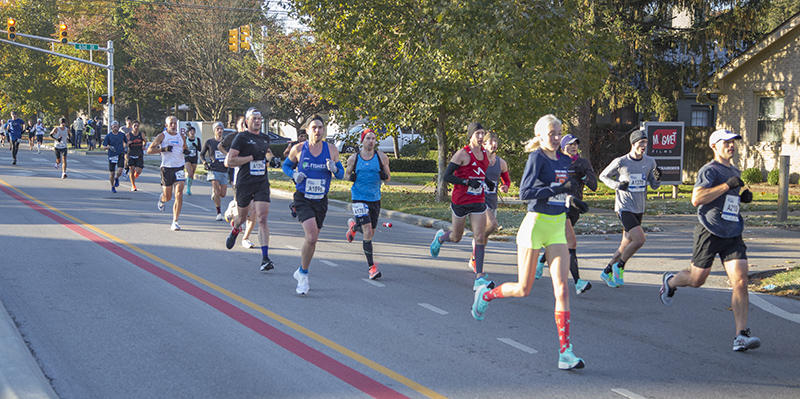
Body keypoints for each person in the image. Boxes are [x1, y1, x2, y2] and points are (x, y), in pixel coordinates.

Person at [471, 114, 587, 370]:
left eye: (559, 133)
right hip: (535, 226)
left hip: (557, 227)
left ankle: (565, 352)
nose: (556, 138)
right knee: (524, 289)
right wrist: (558, 190)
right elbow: (526, 193)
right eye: (551, 134)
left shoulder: (566, 160)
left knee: (562, 289)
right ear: (540, 136)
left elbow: (563, 190)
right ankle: (486, 295)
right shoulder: (537, 158)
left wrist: (572, 200)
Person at [660, 129, 760, 352]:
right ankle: (671, 282)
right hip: (710, 230)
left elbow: (728, 197)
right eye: (726, 142)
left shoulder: (734, 169)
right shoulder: (710, 170)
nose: (731, 146)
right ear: (714, 146)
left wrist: (741, 197)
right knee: (697, 280)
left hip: (732, 230)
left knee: (741, 280)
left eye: (733, 142)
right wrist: (727, 186)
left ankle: (740, 336)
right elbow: (697, 198)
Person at [429, 122, 496, 291]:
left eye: (483, 133)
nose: (481, 137)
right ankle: (440, 238)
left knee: (479, 236)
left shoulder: (486, 155)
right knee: (456, 237)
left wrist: (487, 182)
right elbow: (447, 177)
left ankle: (479, 277)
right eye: (477, 134)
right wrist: (467, 182)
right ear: (471, 136)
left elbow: (480, 174)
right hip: (460, 201)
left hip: (478, 201)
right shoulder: (462, 154)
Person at [282, 115, 344, 294]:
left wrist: (335, 169)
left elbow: (340, 175)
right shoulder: (299, 149)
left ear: (324, 130)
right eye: (314, 127)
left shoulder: (331, 150)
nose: (318, 131)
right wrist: (294, 175)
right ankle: (304, 277)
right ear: (308, 130)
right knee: (311, 236)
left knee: (313, 238)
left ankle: (301, 270)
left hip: (321, 199)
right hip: (303, 197)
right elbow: (286, 166)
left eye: (321, 128)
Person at [598, 129, 661, 287]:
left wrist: (658, 179)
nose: (644, 146)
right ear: (633, 144)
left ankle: (606, 271)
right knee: (639, 239)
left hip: (638, 207)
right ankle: (619, 267)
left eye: (646, 143)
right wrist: (618, 185)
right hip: (624, 207)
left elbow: (653, 186)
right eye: (641, 143)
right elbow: (603, 176)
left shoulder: (650, 162)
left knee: (625, 245)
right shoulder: (621, 162)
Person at [535, 134, 597, 295]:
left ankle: (540, 262)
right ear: (563, 147)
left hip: (576, 207)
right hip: (560, 206)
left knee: (560, 241)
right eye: (569, 144)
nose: (573, 147)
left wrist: (582, 175)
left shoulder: (583, 163)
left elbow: (594, 186)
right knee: (571, 242)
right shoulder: (558, 162)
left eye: (576, 144)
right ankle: (578, 282)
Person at [224, 108, 276, 271]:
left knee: (262, 217)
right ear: (247, 121)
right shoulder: (241, 138)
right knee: (242, 216)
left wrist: (272, 159)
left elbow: (267, 154)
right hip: (245, 182)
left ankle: (265, 258)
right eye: (254, 118)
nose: (257, 121)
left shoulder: (265, 138)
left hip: (261, 181)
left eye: (260, 118)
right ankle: (235, 228)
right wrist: (251, 158)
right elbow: (229, 161)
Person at [343, 128, 391, 280]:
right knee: (368, 230)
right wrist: (351, 178)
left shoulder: (382, 157)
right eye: (368, 138)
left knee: (369, 232)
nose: (371, 141)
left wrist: (384, 176)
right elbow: (345, 175)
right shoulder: (354, 158)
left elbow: (389, 178)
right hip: (358, 197)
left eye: (373, 139)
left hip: (374, 198)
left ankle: (354, 227)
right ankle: (372, 268)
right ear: (362, 141)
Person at [469, 131, 510, 274]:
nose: (494, 144)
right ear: (484, 144)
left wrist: (505, 186)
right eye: (491, 141)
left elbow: (506, 180)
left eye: (495, 141)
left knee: (485, 237)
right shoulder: (478, 160)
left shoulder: (501, 163)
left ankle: (475, 256)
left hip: (492, 202)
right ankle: (476, 253)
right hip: (478, 201)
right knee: (492, 224)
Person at [219, 116, 258, 248]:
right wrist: (230, 156)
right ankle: (232, 209)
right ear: (237, 126)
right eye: (242, 124)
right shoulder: (234, 137)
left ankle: (246, 238)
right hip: (239, 178)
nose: (244, 127)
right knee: (243, 212)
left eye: (245, 124)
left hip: (255, 178)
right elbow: (220, 146)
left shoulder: (255, 137)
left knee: (253, 211)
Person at [147, 115, 188, 231]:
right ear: (166, 125)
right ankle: (162, 199)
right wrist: (162, 149)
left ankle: (175, 221)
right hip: (166, 168)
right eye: (171, 123)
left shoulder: (181, 136)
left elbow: (184, 147)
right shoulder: (162, 136)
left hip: (179, 167)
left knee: (179, 193)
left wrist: (186, 150)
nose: (174, 126)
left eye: (175, 123)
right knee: (168, 197)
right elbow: (149, 150)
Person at [201, 122, 229, 220]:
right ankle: (219, 213)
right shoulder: (209, 142)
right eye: (217, 128)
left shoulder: (226, 142)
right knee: (217, 191)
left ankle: (215, 194)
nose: (219, 130)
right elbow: (202, 154)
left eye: (221, 128)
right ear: (214, 130)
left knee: (223, 194)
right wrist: (204, 162)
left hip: (224, 170)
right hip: (213, 170)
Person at [102, 121, 128, 193]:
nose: (115, 128)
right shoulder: (108, 136)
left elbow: (127, 142)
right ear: (111, 127)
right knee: (112, 173)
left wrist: (126, 148)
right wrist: (109, 147)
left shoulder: (122, 135)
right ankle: (112, 186)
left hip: (120, 154)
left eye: (117, 127)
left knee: (119, 171)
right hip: (112, 155)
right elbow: (104, 146)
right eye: (114, 127)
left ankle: (117, 178)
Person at [126, 120, 146, 191]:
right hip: (131, 154)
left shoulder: (141, 134)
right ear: (132, 126)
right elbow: (124, 144)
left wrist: (143, 145)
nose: (136, 127)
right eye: (135, 126)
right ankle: (133, 185)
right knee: (131, 169)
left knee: (138, 171)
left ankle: (136, 174)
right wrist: (128, 143)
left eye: (137, 126)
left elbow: (144, 141)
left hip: (139, 154)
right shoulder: (128, 135)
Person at [184, 125, 202, 195]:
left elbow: (200, 149)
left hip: (194, 158)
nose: (192, 133)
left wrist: (196, 146)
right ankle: (188, 188)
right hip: (187, 157)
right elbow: (183, 148)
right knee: (190, 173)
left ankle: (189, 186)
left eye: (193, 131)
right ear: (188, 133)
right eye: (191, 131)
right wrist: (185, 151)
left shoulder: (197, 140)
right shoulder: (185, 139)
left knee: (192, 175)